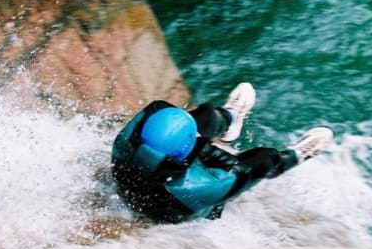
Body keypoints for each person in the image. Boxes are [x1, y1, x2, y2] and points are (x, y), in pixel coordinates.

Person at [111, 83, 333, 223]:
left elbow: (159, 109)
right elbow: (236, 171)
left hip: (151, 171)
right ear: (188, 150)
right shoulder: (202, 187)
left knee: (203, 117)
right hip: (178, 207)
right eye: (195, 139)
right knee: (263, 160)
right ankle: (294, 157)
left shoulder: (127, 140)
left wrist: (196, 140)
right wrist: (205, 147)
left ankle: (229, 118)